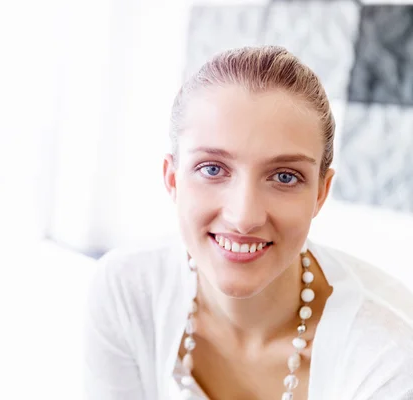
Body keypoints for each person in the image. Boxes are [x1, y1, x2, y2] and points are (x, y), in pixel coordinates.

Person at [83, 45, 413, 400]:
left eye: (285, 177)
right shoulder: (125, 291)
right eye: (212, 169)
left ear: (321, 193)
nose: (243, 218)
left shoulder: (391, 359)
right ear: (173, 180)